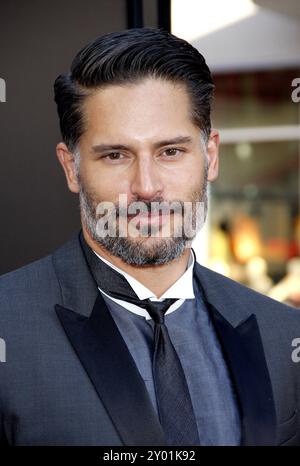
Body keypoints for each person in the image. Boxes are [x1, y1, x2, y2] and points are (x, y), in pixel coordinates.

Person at [0, 28, 299, 447]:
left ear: (210, 157)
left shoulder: (283, 334)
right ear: (71, 168)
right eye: (116, 155)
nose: (146, 186)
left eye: (171, 151)